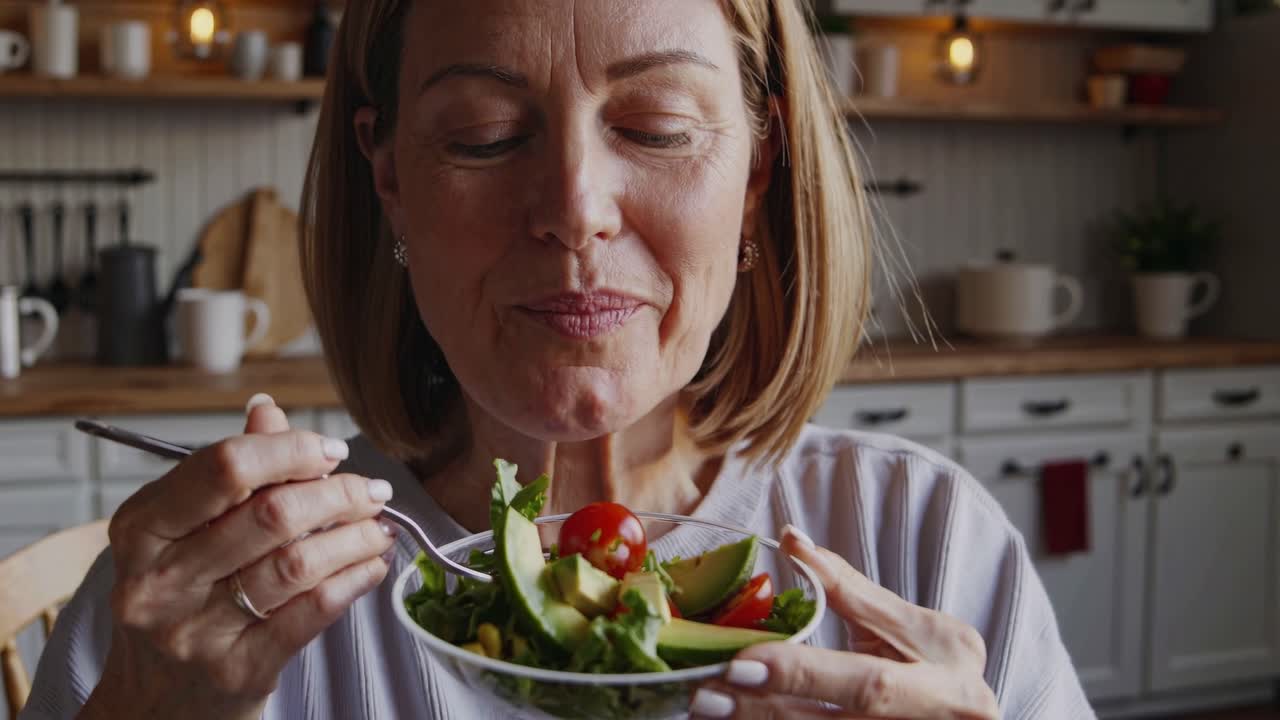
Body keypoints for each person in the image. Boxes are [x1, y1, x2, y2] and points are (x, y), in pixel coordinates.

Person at [21, 1, 1092, 718]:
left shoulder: (928, 544)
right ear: (388, 176)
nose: (575, 211)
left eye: (659, 127)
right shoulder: (195, 610)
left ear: (758, 167)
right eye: (485, 136)